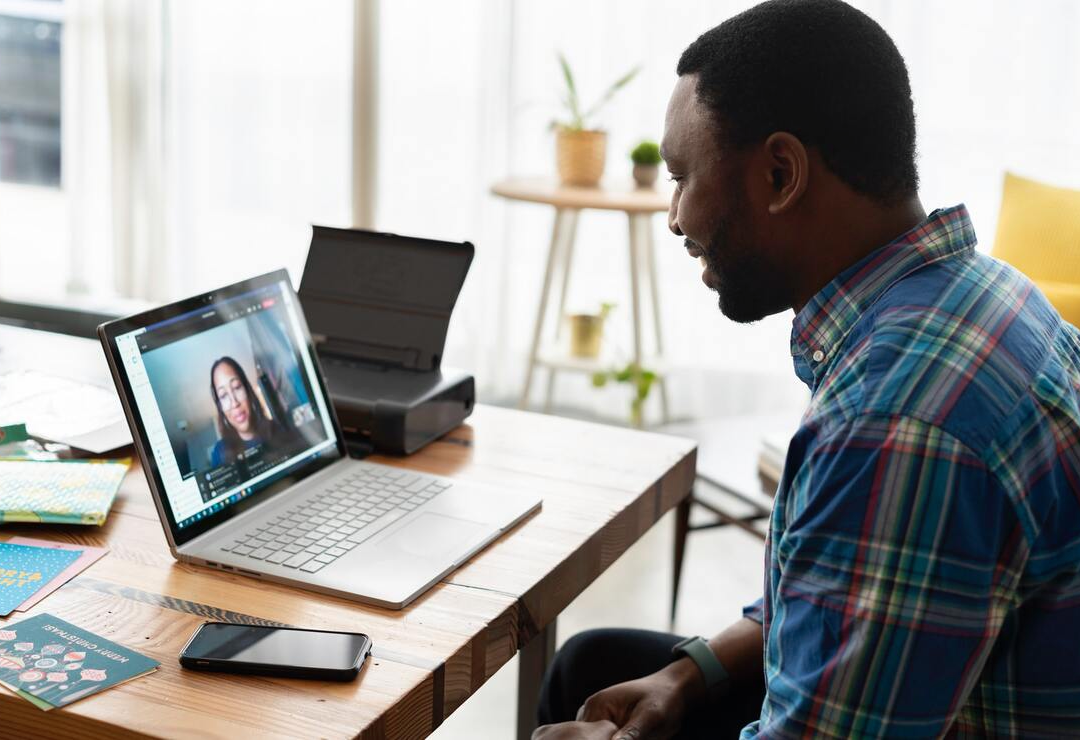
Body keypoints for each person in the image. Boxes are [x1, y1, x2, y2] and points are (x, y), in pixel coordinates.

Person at [533, 1, 1080, 738]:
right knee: (593, 665)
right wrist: (687, 674)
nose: (673, 216)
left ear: (781, 174)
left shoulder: (895, 420)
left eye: (683, 176)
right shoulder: (981, 296)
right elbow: (841, 593)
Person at [209, 356, 288, 466]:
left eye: (237, 387)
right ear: (220, 407)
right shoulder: (219, 453)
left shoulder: (277, 429)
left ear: (248, 390)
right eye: (223, 395)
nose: (234, 403)